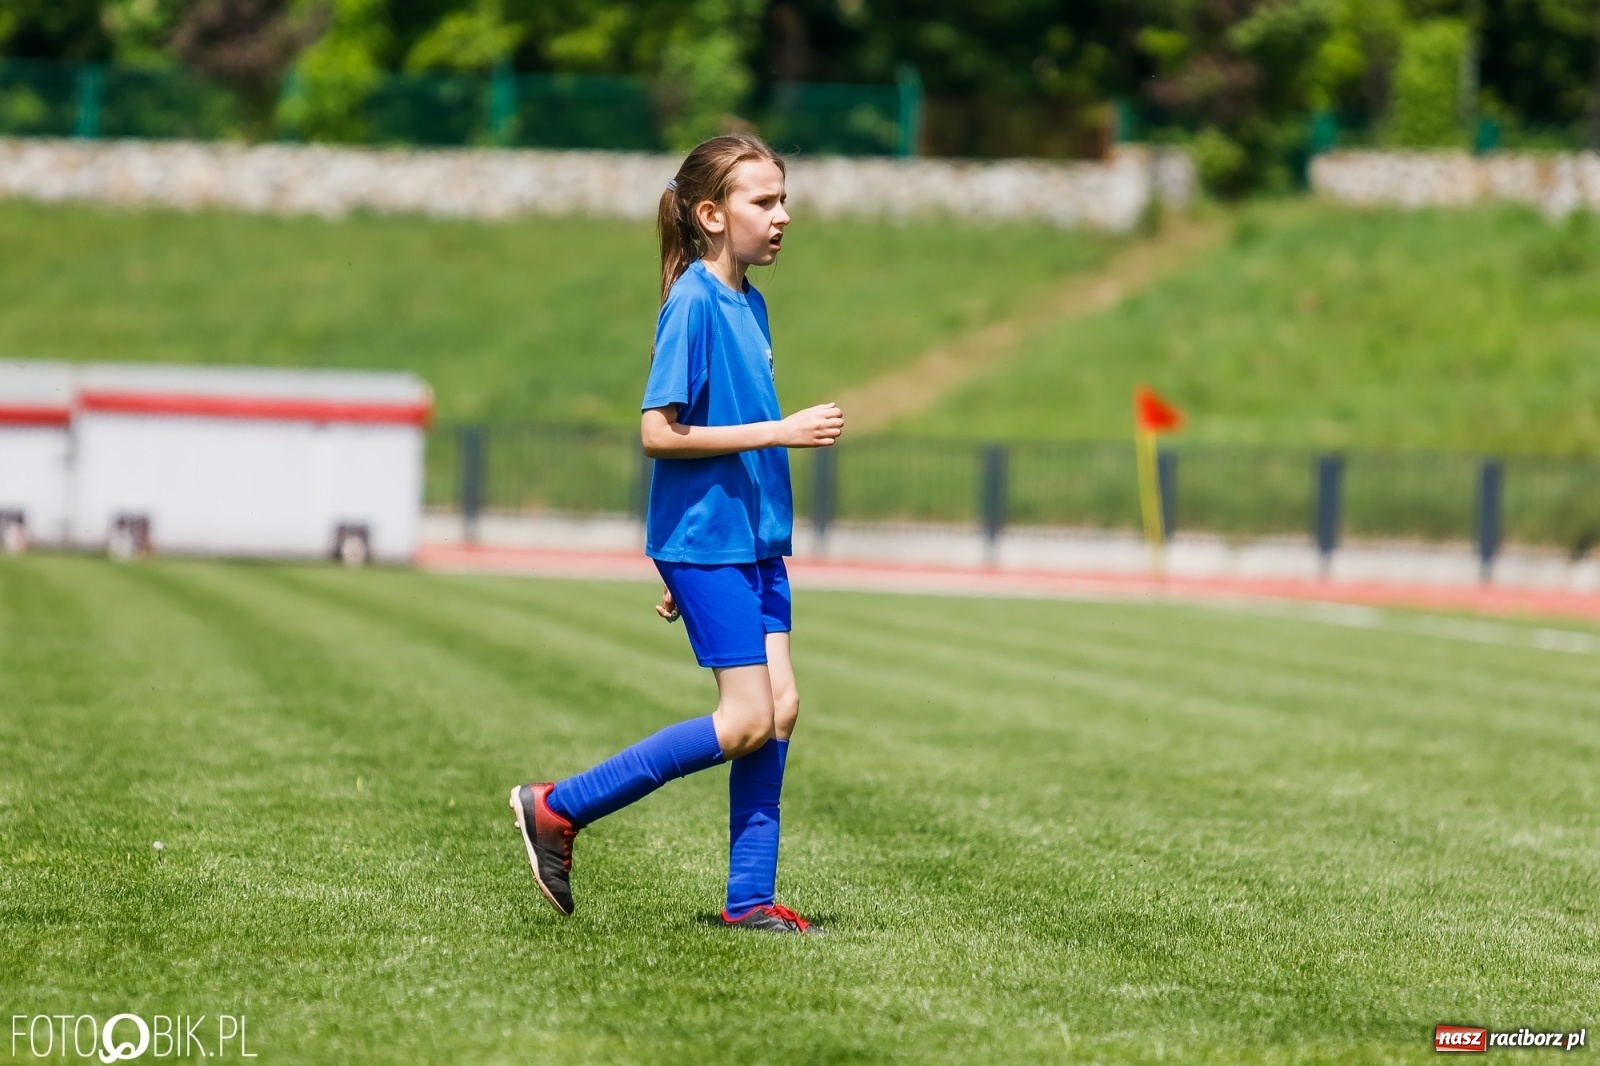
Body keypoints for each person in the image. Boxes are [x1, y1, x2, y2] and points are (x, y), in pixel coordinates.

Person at [511, 134, 844, 935]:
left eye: (782, 199)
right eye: (763, 202)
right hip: (712, 543)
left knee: (783, 706)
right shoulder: (693, 303)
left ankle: (750, 900)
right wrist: (780, 431)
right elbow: (659, 433)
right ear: (711, 214)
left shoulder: (751, 304)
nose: (782, 216)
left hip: (751, 539)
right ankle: (558, 806)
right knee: (742, 722)